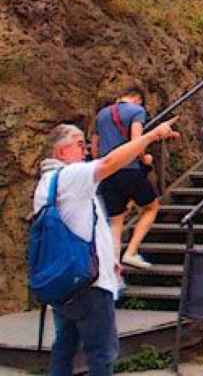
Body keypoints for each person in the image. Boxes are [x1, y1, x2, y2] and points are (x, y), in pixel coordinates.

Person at [35, 119, 179, 376]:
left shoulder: (47, 183)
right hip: (89, 284)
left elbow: (81, 224)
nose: (86, 150)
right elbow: (110, 163)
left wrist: (110, 260)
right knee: (102, 352)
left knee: (65, 347)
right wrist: (151, 136)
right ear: (61, 152)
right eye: (80, 145)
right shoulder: (70, 176)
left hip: (65, 281)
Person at [91, 86, 160, 271]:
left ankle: (112, 266)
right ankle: (131, 252)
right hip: (129, 170)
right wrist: (145, 158)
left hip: (106, 173)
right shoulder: (137, 111)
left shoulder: (102, 114)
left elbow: (95, 148)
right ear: (138, 99)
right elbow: (136, 141)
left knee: (115, 220)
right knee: (151, 207)